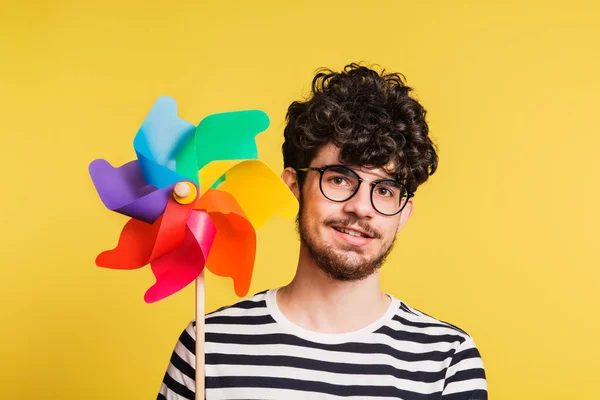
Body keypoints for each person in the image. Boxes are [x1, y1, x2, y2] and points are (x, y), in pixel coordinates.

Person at [157, 63, 488, 399]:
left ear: (404, 213)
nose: (361, 207)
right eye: (339, 179)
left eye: (386, 189)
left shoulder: (447, 361)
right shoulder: (207, 346)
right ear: (293, 186)